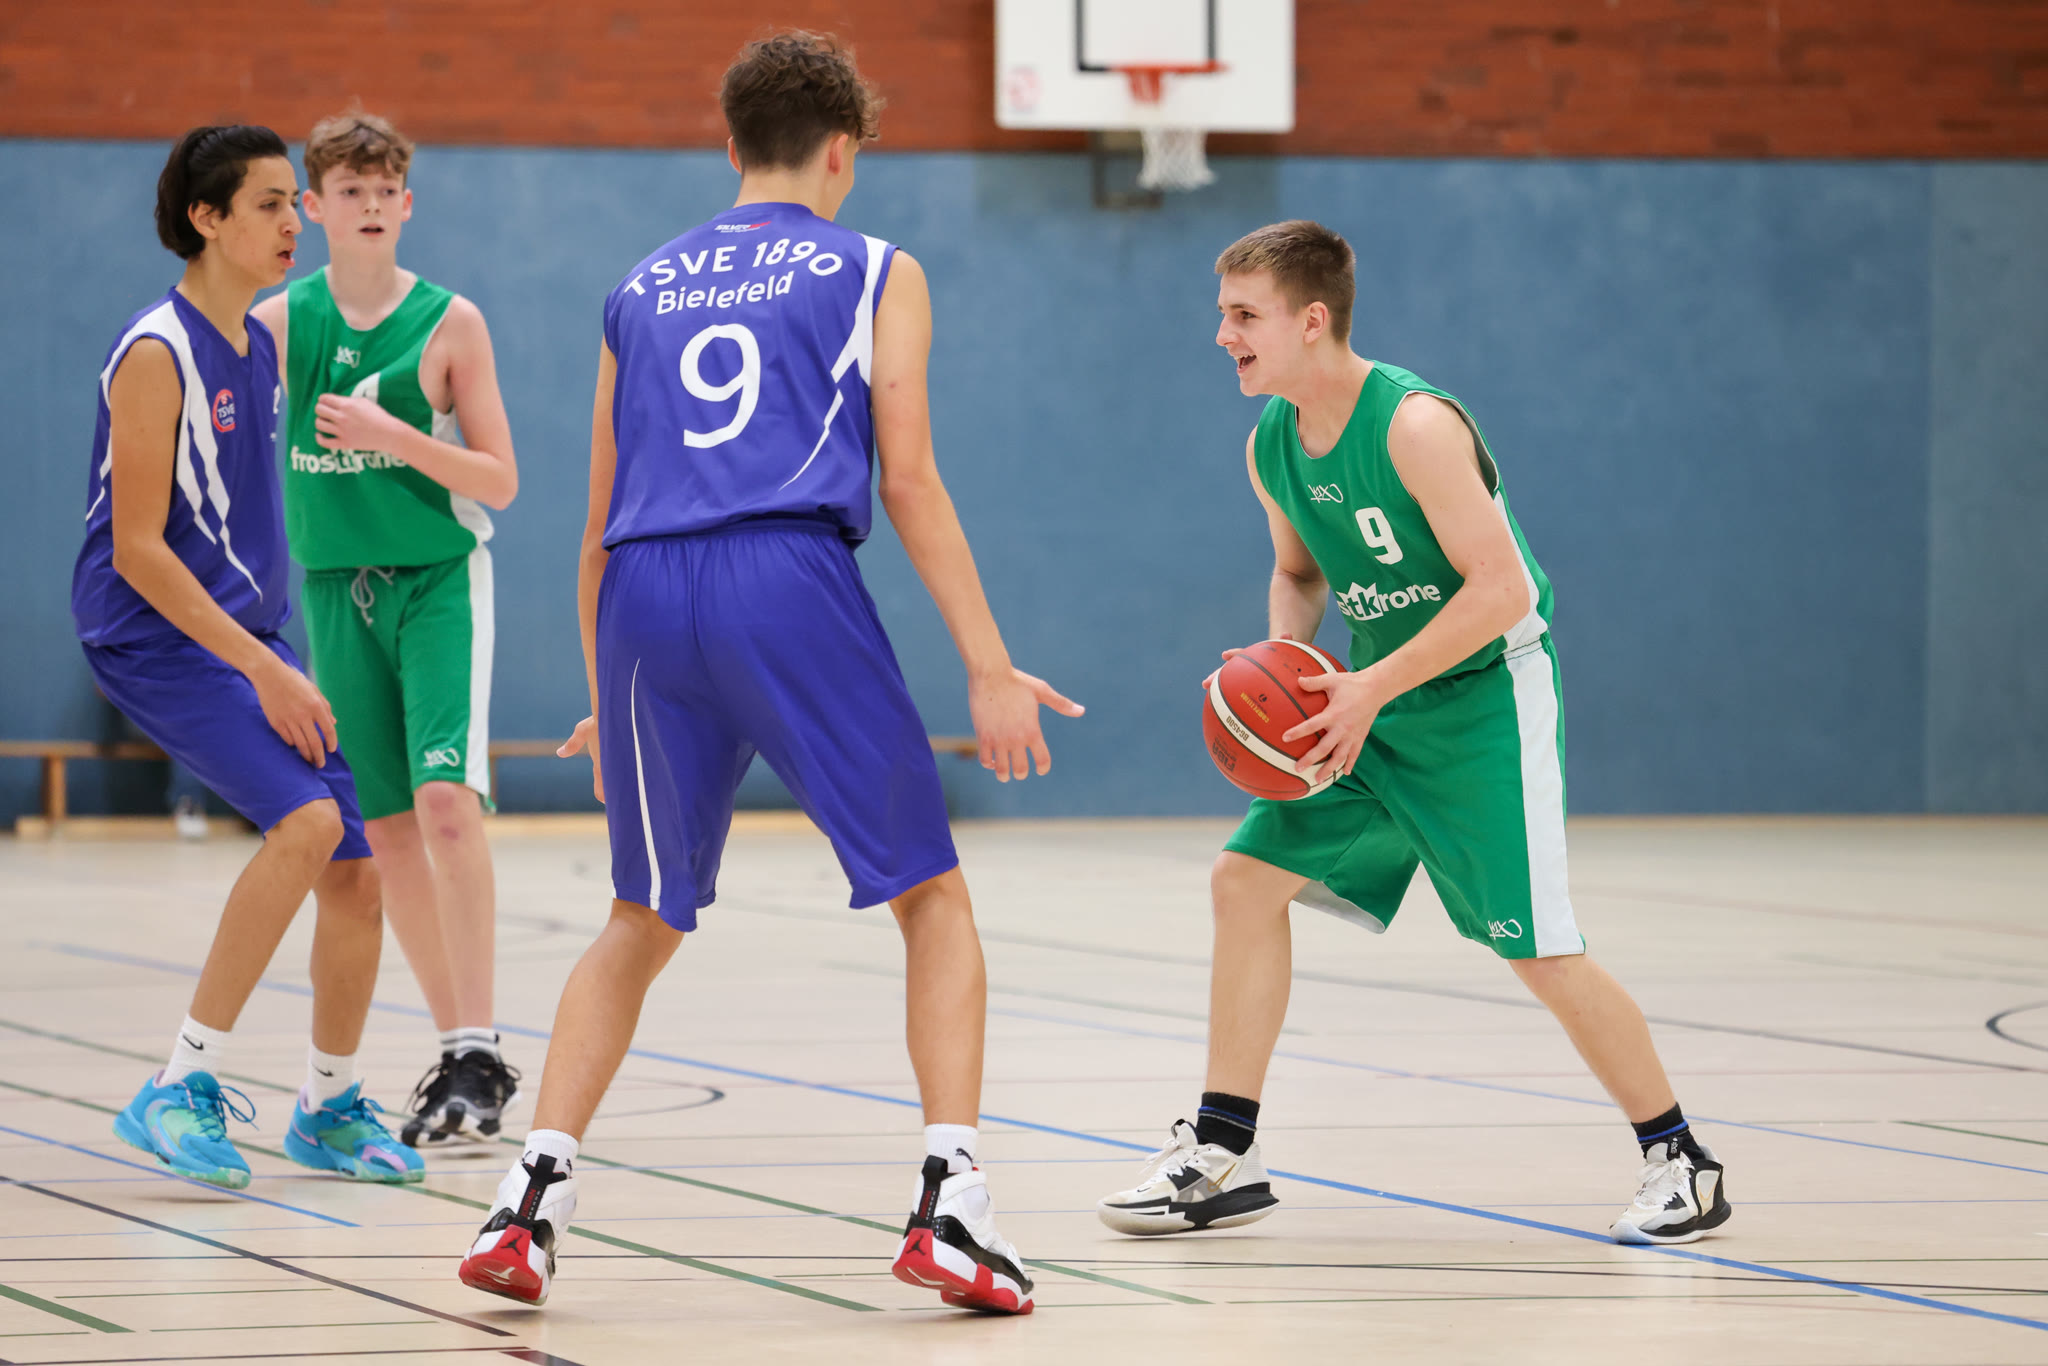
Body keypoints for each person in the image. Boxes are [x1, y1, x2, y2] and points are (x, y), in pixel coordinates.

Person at [455, 31, 1080, 1314]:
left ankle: (528, 1201)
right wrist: (988, 663)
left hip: (641, 597)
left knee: (639, 915)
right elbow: (907, 478)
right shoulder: (874, 267)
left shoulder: (638, 286)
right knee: (930, 895)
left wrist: (607, 690)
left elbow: (596, 519)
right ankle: (951, 1206)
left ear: (732, 143)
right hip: (784, 579)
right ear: (841, 149)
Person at [1096, 221, 1731, 1247]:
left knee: (1538, 950)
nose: (1223, 335)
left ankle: (1682, 1162)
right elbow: (1299, 573)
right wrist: (1287, 667)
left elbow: (1503, 588)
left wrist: (1368, 688)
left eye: (1243, 315)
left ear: (1312, 320)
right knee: (1243, 881)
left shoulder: (1414, 426)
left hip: (1481, 701)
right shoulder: (1270, 445)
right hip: (1368, 705)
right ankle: (1223, 1148)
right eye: (1223, 314)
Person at [73, 126, 420, 1189]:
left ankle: (328, 1105)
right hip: (151, 634)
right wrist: (264, 667)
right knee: (307, 824)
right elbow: (138, 550)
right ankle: (176, 1085)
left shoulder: (258, 349)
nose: (289, 223)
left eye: (289, 203)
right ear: (205, 218)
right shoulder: (155, 352)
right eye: (268, 204)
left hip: (244, 639)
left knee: (355, 869)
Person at [251, 112, 522, 1148]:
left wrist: (394, 434)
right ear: (312, 207)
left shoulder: (451, 323)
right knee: (389, 826)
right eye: (348, 192)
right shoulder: (279, 324)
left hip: (438, 581)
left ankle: (481, 1043)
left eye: (383, 192)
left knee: (447, 801)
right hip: (333, 588)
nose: (368, 207)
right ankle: (460, 1050)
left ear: (406, 205)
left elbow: (499, 478)